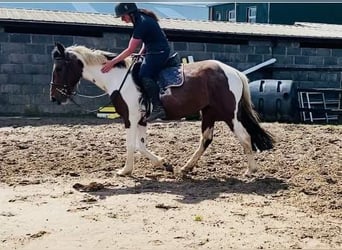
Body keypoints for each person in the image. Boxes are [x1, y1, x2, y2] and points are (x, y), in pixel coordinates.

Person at [101, 2, 170, 122]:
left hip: (158, 52)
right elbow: (146, 40)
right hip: (154, 50)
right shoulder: (141, 20)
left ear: (130, 13)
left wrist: (112, 62)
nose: (122, 19)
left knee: (144, 75)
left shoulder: (142, 23)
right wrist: (141, 53)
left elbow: (129, 50)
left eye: (123, 16)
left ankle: (158, 108)